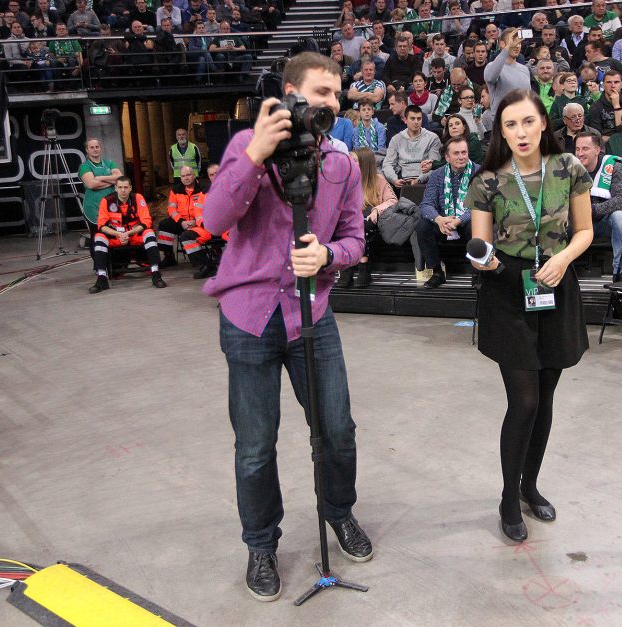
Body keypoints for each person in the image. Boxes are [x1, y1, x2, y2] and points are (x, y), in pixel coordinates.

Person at [202, 51, 373, 603]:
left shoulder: (341, 165)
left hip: (312, 313)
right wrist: (254, 151)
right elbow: (214, 220)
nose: (332, 103)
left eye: (337, 94)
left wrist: (326, 255)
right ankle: (260, 544)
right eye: (321, 93)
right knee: (255, 445)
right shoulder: (243, 149)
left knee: (338, 429)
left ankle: (338, 512)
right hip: (249, 317)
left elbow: (354, 241)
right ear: (290, 93)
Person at [466, 89, 593, 543]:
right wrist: (489, 262)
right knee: (524, 401)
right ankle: (507, 497)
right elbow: (480, 246)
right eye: (509, 125)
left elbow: (586, 231)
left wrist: (562, 260)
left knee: (546, 397)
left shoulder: (570, 169)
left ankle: (529, 486)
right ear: (501, 132)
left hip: (556, 282)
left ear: (543, 122)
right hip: (508, 288)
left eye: (526, 122)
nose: (520, 132)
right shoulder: (486, 181)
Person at [413, 136, 477, 288]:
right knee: (422, 226)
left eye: (464, 152)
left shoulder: (479, 172)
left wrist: (460, 219)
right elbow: (426, 204)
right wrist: (439, 219)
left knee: (476, 225)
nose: (461, 157)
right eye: (456, 153)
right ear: (447, 157)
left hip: (468, 219)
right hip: (444, 220)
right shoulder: (437, 174)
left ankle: (478, 272)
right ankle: (436, 272)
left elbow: (481, 206)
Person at [89, 177, 168, 293]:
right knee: (99, 237)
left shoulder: (138, 198)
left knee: (149, 233)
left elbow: (146, 221)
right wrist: (118, 234)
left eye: (126, 187)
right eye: (120, 187)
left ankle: (156, 274)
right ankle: (101, 278)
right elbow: (101, 225)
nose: (123, 190)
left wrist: (128, 233)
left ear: (130, 188)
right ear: (115, 188)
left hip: (134, 234)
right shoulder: (106, 201)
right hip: (116, 236)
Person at [574, 129, 622, 282]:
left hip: (604, 221)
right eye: (577, 149)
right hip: (577, 221)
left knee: (620, 217)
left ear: (597, 150)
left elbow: (621, 200)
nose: (580, 153)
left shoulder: (613, 166)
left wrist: (591, 210)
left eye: (585, 148)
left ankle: (619, 272)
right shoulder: (570, 168)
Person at [336, 147, 396, 289]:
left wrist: (377, 210)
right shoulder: (345, 179)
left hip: (371, 220)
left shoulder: (378, 179)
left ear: (364, 163)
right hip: (351, 219)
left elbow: (392, 200)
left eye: (354, 160)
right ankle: (346, 268)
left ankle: (364, 265)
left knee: (364, 221)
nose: (350, 162)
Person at [78, 138, 124, 270]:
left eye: (97, 146)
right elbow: (91, 184)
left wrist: (101, 178)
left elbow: (120, 179)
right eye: (91, 147)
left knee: (113, 234)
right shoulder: (84, 166)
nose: (95, 149)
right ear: (87, 150)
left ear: (100, 148)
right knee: (97, 236)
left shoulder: (109, 163)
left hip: (111, 207)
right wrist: (111, 180)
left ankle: (114, 264)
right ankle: (99, 266)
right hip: (94, 207)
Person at [158, 165, 206, 267]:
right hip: (181, 221)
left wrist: (195, 221)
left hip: (198, 221)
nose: (186, 178)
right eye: (183, 176)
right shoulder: (175, 190)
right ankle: (168, 256)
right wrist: (181, 222)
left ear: (194, 175)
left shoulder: (203, 189)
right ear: (180, 178)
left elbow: (208, 209)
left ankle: (204, 259)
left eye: (188, 175)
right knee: (164, 225)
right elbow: (171, 209)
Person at [382, 104, 442, 187]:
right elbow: (388, 164)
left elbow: (434, 165)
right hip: (401, 179)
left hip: (425, 181)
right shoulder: (396, 139)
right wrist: (394, 179)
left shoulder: (432, 138)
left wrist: (419, 180)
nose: (416, 122)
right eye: (412, 118)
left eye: (419, 119)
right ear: (405, 120)